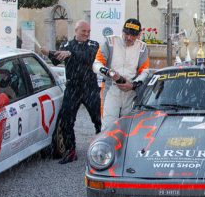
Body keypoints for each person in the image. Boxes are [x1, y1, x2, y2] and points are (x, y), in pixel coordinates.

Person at [42, 20, 102, 163]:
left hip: (90, 87)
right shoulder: (66, 45)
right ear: (76, 31)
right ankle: (70, 151)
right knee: (66, 120)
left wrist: (70, 53)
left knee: (99, 119)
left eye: (88, 31)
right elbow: (56, 61)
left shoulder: (94, 45)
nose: (86, 34)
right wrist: (49, 53)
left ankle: (102, 148)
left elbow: (88, 57)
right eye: (83, 31)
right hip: (72, 88)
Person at [93, 18, 150, 131]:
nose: (129, 37)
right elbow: (96, 64)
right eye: (127, 34)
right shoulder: (110, 42)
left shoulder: (142, 47)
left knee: (129, 127)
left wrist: (133, 85)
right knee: (108, 126)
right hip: (111, 88)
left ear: (139, 35)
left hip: (130, 91)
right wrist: (109, 72)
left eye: (133, 35)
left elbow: (145, 71)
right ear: (122, 31)